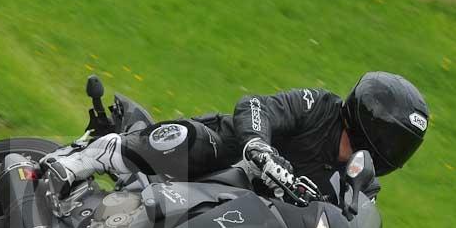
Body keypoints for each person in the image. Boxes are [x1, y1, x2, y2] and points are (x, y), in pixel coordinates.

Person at [42, 71, 429, 203]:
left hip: (253, 214)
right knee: (201, 144)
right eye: (393, 138)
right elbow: (256, 106)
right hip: (225, 159)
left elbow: (352, 222)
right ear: (369, 119)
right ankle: (96, 154)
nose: (394, 152)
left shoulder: (364, 182)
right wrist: (259, 146)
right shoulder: (320, 107)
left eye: (404, 147)